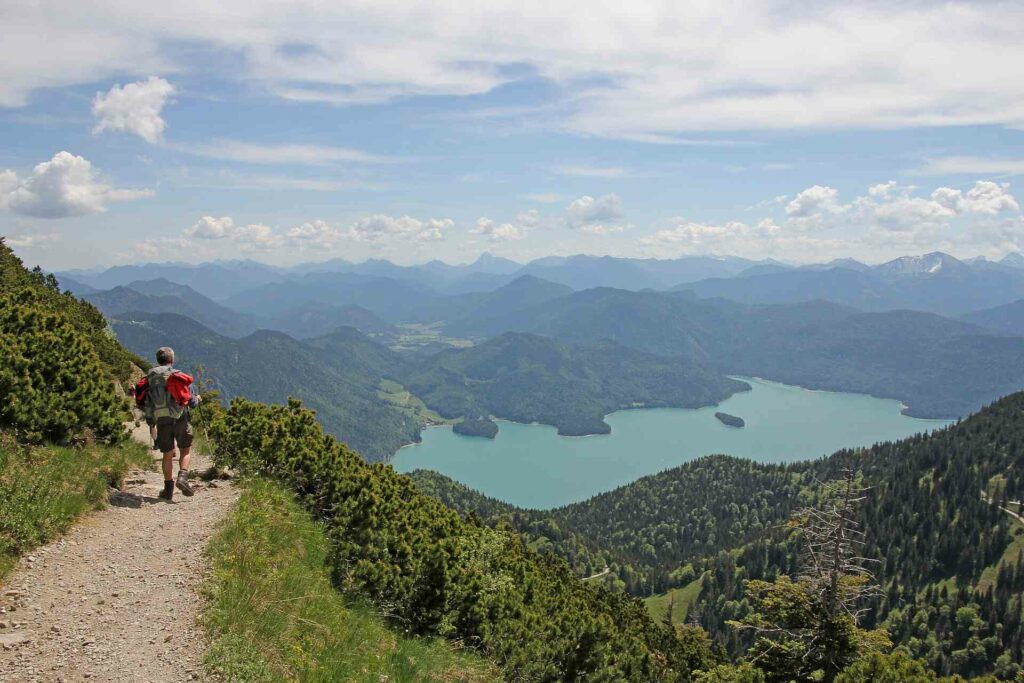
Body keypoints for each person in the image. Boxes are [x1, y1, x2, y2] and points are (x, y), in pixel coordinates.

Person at [144, 347, 203, 501]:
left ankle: (168, 489)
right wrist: (197, 398)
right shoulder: (177, 376)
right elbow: (191, 402)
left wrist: (150, 418)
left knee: (167, 454)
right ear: (172, 360)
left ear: (158, 360)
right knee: (185, 450)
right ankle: (183, 477)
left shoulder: (150, 378)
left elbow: (147, 400)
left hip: (161, 419)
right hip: (180, 417)